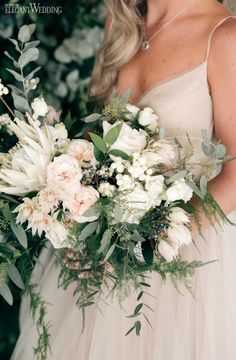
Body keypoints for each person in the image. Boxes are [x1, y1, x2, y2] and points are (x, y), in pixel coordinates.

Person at [11, 0, 236, 359]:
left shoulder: (224, 37)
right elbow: (94, 139)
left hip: (184, 251)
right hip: (97, 254)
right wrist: (73, 218)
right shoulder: (123, 21)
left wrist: (142, 248)